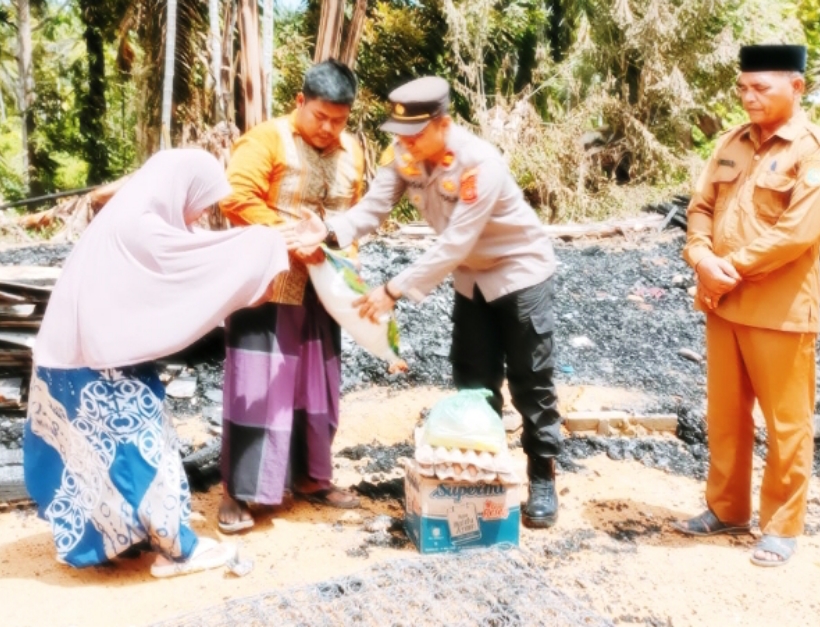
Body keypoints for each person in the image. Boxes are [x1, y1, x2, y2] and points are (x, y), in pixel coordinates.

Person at [285, 76, 564, 528]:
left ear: (443, 125)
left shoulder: (479, 165)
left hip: (519, 272)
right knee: (473, 378)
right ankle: (481, 477)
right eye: (399, 134)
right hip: (471, 279)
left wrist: (392, 290)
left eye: (414, 135)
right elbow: (373, 208)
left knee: (531, 380)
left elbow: (454, 243)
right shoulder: (404, 155)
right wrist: (330, 232)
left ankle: (542, 475)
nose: (405, 144)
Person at [23, 149, 291, 577]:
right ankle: (176, 550)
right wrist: (272, 240)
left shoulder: (128, 214)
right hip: (100, 363)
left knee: (90, 458)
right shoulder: (142, 225)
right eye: (199, 204)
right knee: (142, 453)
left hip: (72, 354)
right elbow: (201, 263)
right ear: (181, 188)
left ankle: (116, 543)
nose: (199, 217)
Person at [672, 44, 820, 566]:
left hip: (779, 310)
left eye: (760, 88)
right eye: (743, 87)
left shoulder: (818, 152)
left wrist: (730, 268)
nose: (748, 97)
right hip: (722, 303)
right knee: (725, 416)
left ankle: (781, 525)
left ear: (797, 87)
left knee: (786, 422)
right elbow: (699, 208)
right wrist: (701, 257)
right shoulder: (731, 143)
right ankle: (725, 508)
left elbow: (798, 232)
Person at [217, 59, 365, 533]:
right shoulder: (265, 139)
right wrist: (288, 236)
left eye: (338, 120)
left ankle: (311, 478)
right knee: (259, 385)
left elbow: (356, 211)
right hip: (270, 282)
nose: (328, 128)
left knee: (316, 386)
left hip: (327, 285)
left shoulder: (353, 151)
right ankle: (239, 492)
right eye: (319, 117)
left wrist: (343, 261)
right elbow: (235, 196)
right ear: (299, 102)